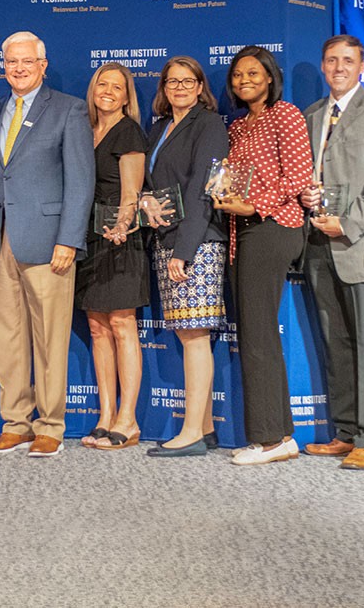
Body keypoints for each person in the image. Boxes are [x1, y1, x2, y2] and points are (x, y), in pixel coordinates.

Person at [0, 31, 94, 457]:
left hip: (48, 242)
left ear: (43, 64)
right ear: (2, 66)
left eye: (26, 61)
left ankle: (51, 425)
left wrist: (69, 239)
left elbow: (81, 181)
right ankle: (16, 422)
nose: (18, 68)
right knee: (8, 337)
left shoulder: (68, 109)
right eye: (11, 62)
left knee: (50, 337)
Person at [299, 35, 364, 470]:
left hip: (359, 245)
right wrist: (306, 196)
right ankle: (344, 431)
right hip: (318, 241)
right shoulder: (313, 114)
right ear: (323, 66)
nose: (338, 67)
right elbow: (309, 174)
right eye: (331, 60)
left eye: (347, 61)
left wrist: (349, 223)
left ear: (361, 66)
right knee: (335, 340)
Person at [213, 45, 313, 466]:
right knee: (254, 332)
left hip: (273, 227)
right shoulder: (238, 127)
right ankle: (276, 433)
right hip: (242, 233)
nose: (244, 80)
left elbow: (301, 178)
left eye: (253, 73)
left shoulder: (285, 115)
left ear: (270, 76)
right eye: (237, 75)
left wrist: (256, 206)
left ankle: (273, 439)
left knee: (258, 333)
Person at [141, 56, 230, 458]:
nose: (179, 87)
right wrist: (144, 201)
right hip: (167, 239)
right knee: (187, 333)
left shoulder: (209, 124)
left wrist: (185, 250)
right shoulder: (159, 128)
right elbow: (150, 181)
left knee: (194, 336)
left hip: (196, 244)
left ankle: (191, 432)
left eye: (187, 81)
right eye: (171, 81)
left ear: (200, 87)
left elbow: (203, 189)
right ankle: (207, 426)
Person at [75, 62, 148, 451]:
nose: (108, 91)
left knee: (122, 324)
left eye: (117, 87)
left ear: (126, 95)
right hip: (89, 237)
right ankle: (105, 416)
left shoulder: (128, 131)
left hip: (120, 239)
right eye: (102, 84)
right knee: (98, 328)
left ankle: (128, 419)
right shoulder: (87, 131)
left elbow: (132, 192)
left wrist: (121, 226)